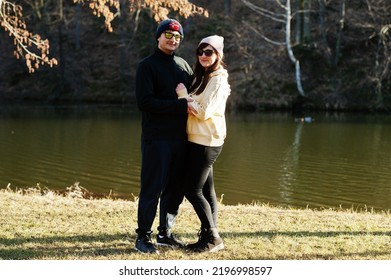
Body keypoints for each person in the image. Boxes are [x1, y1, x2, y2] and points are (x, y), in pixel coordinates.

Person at [134, 18, 193, 254]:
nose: (173, 40)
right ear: (158, 37)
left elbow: (193, 96)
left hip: (181, 138)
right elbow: (145, 102)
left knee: (175, 189)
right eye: (168, 35)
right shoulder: (147, 66)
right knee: (152, 189)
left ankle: (164, 234)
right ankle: (143, 237)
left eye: (177, 37)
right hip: (156, 138)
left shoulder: (183, 65)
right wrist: (180, 106)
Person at [176, 35, 231, 253]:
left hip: (207, 141)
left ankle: (213, 238)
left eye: (209, 52)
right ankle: (208, 236)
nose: (203, 56)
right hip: (198, 139)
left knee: (191, 189)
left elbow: (203, 112)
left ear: (218, 55)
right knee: (207, 191)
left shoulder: (218, 80)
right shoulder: (204, 77)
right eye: (200, 52)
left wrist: (183, 97)